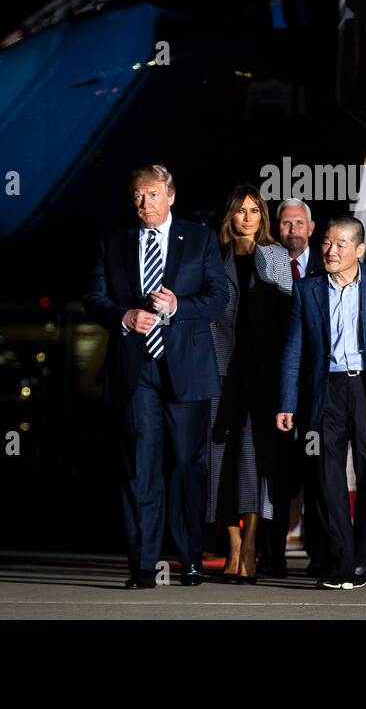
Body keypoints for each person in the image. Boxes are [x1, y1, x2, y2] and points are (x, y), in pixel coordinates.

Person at [84, 164, 228, 589]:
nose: (143, 203)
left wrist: (179, 306)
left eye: (150, 194)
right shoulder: (114, 242)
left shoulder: (199, 238)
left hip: (186, 369)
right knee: (140, 470)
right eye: (136, 196)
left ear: (170, 196)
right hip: (136, 370)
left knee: (186, 467)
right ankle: (143, 566)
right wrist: (123, 315)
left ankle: (190, 559)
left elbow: (218, 296)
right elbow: (93, 297)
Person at [277, 215, 366, 589]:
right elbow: (295, 350)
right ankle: (341, 559)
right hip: (326, 392)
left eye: (341, 244)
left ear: (359, 249)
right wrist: (287, 402)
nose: (330, 250)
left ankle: (363, 555)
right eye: (326, 242)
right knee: (326, 479)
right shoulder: (307, 289)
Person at [207, 186, 293, 583]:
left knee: (254, 461)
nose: (247, 217)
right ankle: (233, 545)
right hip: (217, 371)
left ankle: (253, 542)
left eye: (254, 210)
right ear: (230, 215)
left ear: (263, 216)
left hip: (260, 374)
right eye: (240, 210)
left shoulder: (275, 256)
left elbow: (287, 316)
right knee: (218, 460)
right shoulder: (212, 252)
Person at [269, 197, 327, 578]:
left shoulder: (330, 264)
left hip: (320, 386)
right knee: (276, 476)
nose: (292, 230)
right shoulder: (265, 263)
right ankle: (272, 556)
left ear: (311, 227)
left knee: (320, 473)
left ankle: (320, 556)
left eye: (298, 223)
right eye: (285, 224)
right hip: (274, 386)